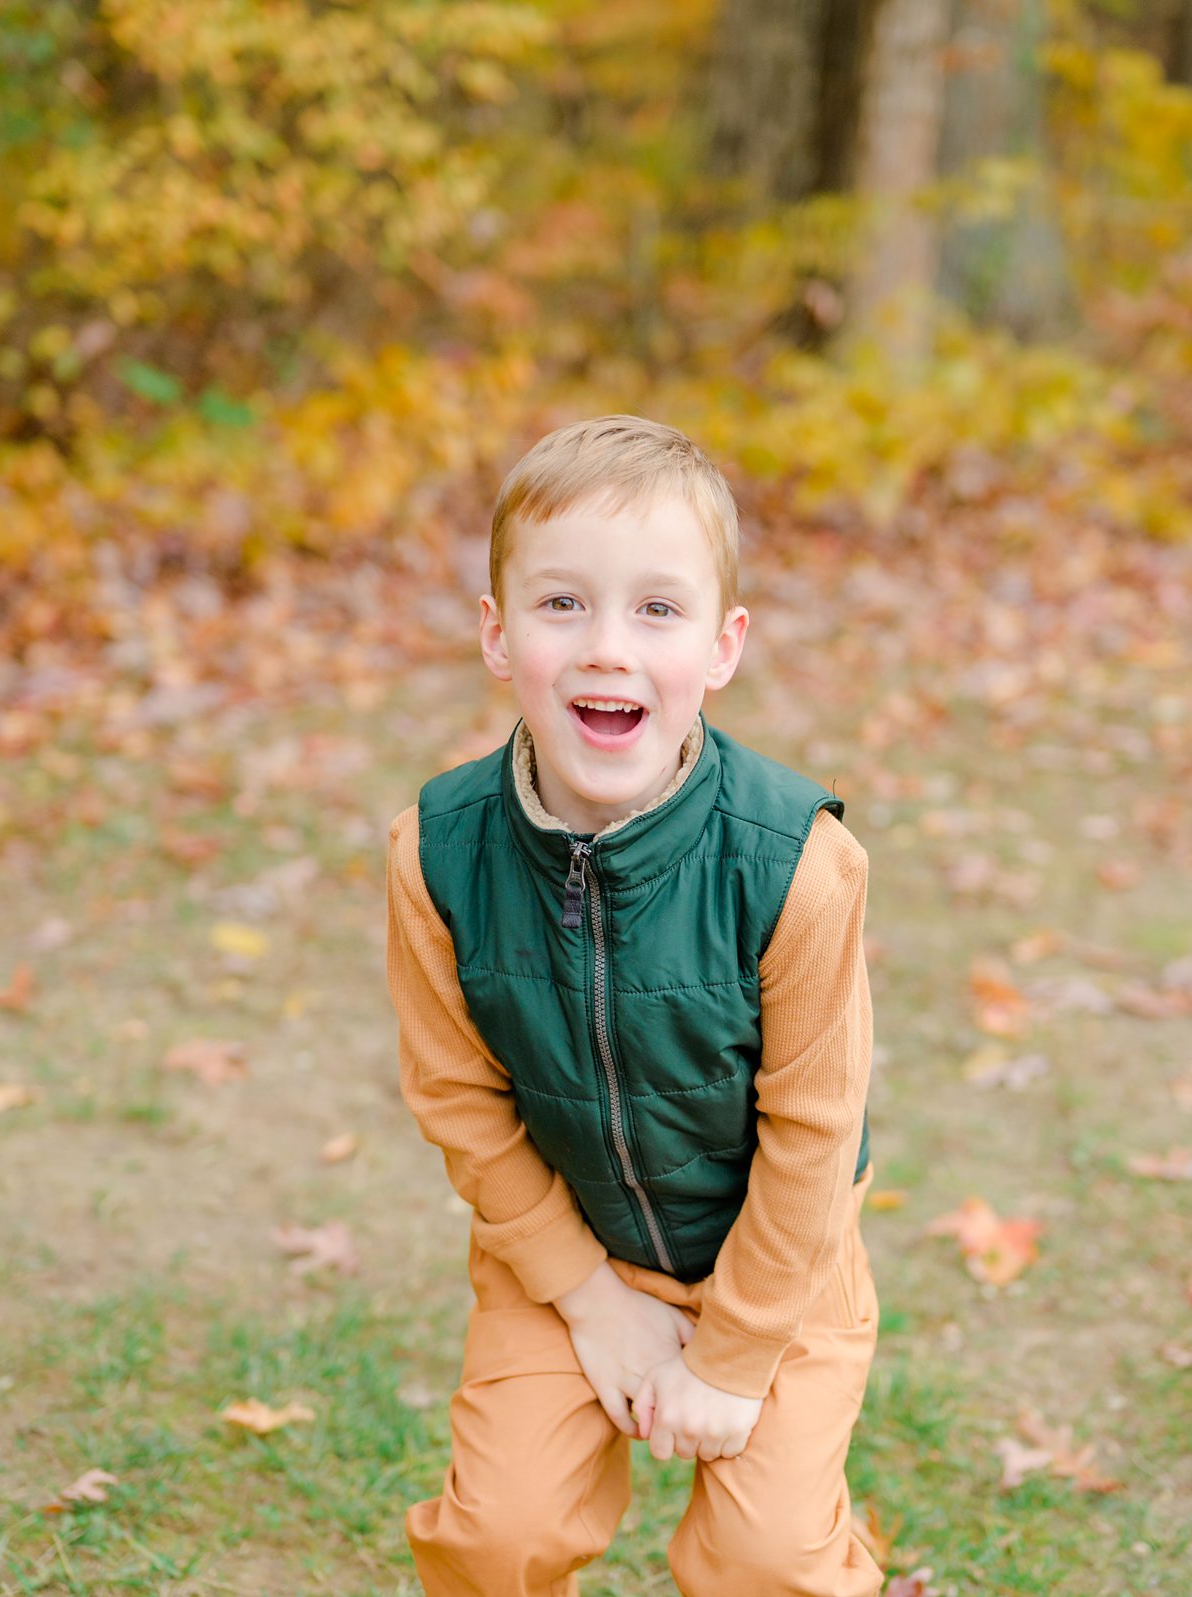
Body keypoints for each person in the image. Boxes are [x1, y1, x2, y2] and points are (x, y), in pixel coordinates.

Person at [383, 414, 883, 1596]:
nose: (608, 647)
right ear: (500, 638)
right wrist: (587, 1296)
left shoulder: (798, 865)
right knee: (496, 1541)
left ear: (722, 646)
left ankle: (824, 1550)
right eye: (563, 605)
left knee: (768, 1560)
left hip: (775, 1260)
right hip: (561, 1251)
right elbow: (457, 1098)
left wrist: (738, 1347)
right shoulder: (436, 852)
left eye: (657, 610)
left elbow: (817, 1132)